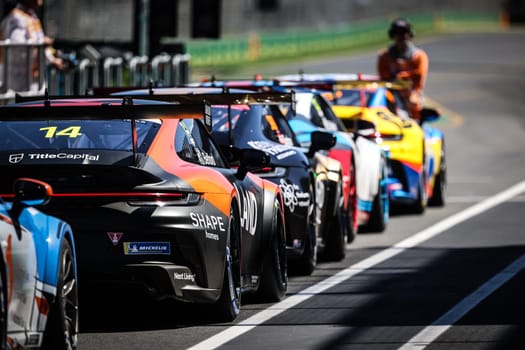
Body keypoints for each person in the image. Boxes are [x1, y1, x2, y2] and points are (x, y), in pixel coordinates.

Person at [0, 0, 63, 92]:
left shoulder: (31, 15)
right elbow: (16, 46)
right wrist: (42, 43)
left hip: (33, 79)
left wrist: (52, 60)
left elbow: (39, 43)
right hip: (17, 81)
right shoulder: (16, 17)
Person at [377, 18, 428, 120]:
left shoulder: (418, 56)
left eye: (404, 33)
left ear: (409, 34)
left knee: (414, 104)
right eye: (398, 33)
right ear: (393, 35)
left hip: (411, 93)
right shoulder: (385, 56)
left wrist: (403, 76)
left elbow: (419, 76)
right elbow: (383, 76)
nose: (401, 36)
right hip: (392, 94)